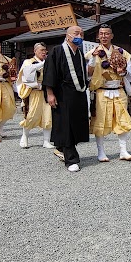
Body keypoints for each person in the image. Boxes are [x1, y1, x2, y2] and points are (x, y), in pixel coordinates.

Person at [43, 26, 90, 172]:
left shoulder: (80, 53)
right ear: (67, 36)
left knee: (76, 122)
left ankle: (61, 147)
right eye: (76, 33)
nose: (79, 36)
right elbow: (49, 73)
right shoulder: (57, 51)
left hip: (78, 92)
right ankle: (71, 159)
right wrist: (50, 93)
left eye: (81, 34)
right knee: (65, 123)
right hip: (62, 93)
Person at [87, 25, 131, 162]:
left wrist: (123, 71)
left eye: (107, 34)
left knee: (123, 119)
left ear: (112, 36)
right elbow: (88, 73)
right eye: (101, 34)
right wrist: (92, 58)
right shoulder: (93, 53)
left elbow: (130, 76)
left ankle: (123, 150)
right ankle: (101, 151)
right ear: (98, 36)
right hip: (102, 91)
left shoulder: (122, 53)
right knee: (100, 121)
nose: (104, 36)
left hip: (119, 90)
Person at [17, 42, 53, 149]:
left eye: (45, 50)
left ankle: (46, 141)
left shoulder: (48, 61)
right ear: (35, 51)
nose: (44, 52)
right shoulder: (28, 62)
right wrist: (43, 64)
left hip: (46, 92)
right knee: (31, 115)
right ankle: (25, 136)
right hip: (34, 93)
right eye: (41, 50)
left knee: (48, 116)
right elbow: (27, 75)